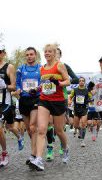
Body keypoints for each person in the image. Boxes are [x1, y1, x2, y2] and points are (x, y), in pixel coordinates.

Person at [29, 43, 70, 171]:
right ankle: (39, 160)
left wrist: (58, 82)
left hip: (58, 101)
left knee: (58, 131)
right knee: (41, 129)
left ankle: (65, 148)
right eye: (45, 52)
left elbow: (68, 81)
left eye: (49, 52)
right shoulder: (42, 68)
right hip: (44, 100)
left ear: (54, 53)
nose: (47, 54)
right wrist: (36, 89)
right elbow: (43, 84)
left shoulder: (60, 65)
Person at [16, 47, 41, 165]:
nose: (29, 56)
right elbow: (17, 84)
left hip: (36, 99)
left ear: (35, 55)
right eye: (27, 55)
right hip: (24, 100)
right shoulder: (21, 68)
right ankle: (36, 149)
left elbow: (43, 83)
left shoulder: (40, 68)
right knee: (29, 130)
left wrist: (37, 88)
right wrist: (18, 90)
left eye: (31, 54)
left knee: (32, 126)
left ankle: (34, 154)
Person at [0, 45, 19, 167]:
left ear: (3, 53)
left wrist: (4, 86)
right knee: (8, 126)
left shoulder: (9, 67)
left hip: (4, 102)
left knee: (9, 127)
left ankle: (4, 153)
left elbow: (14, 86)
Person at [68, 77, 92, 147]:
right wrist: (69, 101)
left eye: (82, 81)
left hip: (84, 108)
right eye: (80, 81)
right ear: (78, 82)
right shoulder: (74, 90)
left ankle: (82, 140)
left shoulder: (87, 90)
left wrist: (90, 100)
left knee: (84, 124)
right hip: (76, 109)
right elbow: (70, 97)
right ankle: (80, 130)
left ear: (84, 82)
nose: (81, 82)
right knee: (75, 125)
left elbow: (91, 97)